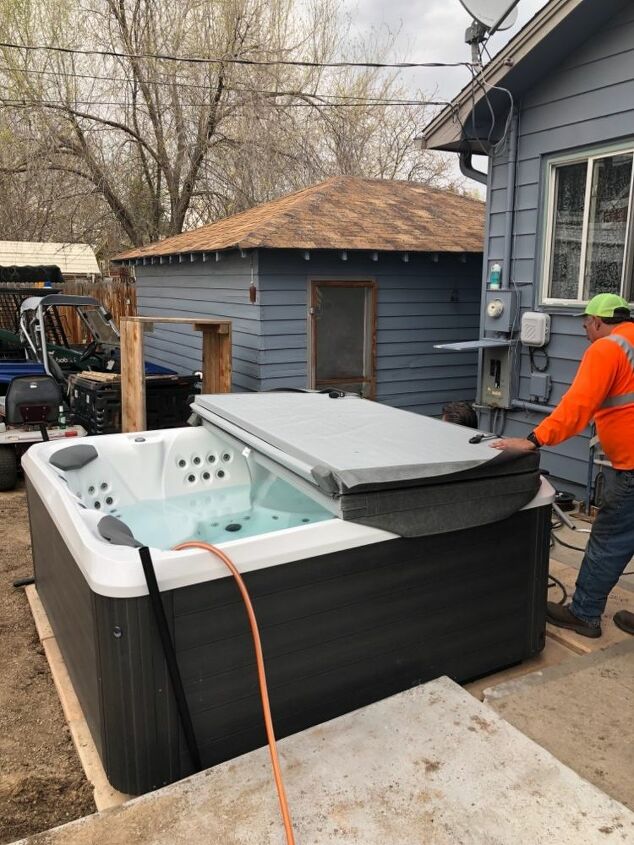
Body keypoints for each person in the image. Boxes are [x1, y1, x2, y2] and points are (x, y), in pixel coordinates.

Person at [491, 292, 634, 638]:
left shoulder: (607, 349)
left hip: (632, 468)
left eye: (585, 323)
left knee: (609, 540)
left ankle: (584, 614)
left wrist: (534, 440)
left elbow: (577, 406)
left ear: (598, 322)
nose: (585, 330)